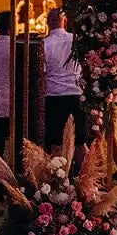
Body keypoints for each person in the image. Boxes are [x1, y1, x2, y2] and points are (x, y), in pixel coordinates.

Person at [40, 8, 81, 150]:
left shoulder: (44, 44)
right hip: (76, 93)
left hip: (54, 95)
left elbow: (42, 73)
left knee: (56, 143)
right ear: (65, 21)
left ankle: (57, 165)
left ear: (48, 22)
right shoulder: (76, 40)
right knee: (79, 142)